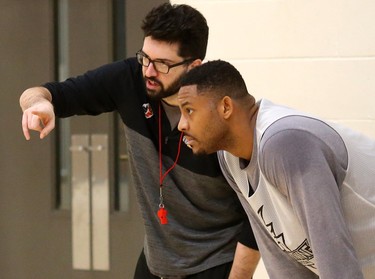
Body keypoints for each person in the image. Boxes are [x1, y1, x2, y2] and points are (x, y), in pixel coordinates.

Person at [19, 4, 260, 279]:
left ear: (194, 66)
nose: (148, 71)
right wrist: (39, 104)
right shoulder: (130, 78)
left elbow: (256, 213)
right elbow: (44, 93)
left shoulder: (222, 116)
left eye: (162, 64)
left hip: (213, 264)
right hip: (154, 263)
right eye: (145, 58)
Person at [177, 60, 375, 279]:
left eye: (189, 110)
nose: (181, 125)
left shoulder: (285, 143)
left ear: (226, 107)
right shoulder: (229, 158)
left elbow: (336, 258)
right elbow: (281, 257)